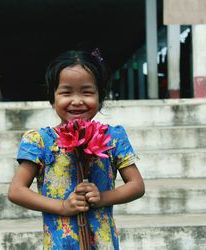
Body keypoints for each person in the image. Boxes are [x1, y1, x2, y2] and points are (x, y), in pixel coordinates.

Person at [8, 49, 145, 249]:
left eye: (87, 92)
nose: (77, 100)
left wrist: (102, 198)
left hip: (103, 243)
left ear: (100, 96)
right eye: (66, 92)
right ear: (52, 97)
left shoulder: (112, 137)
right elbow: (16, 191)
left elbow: (137, 185)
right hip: (60, 244)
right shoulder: (40, 141)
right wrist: (62, 206)